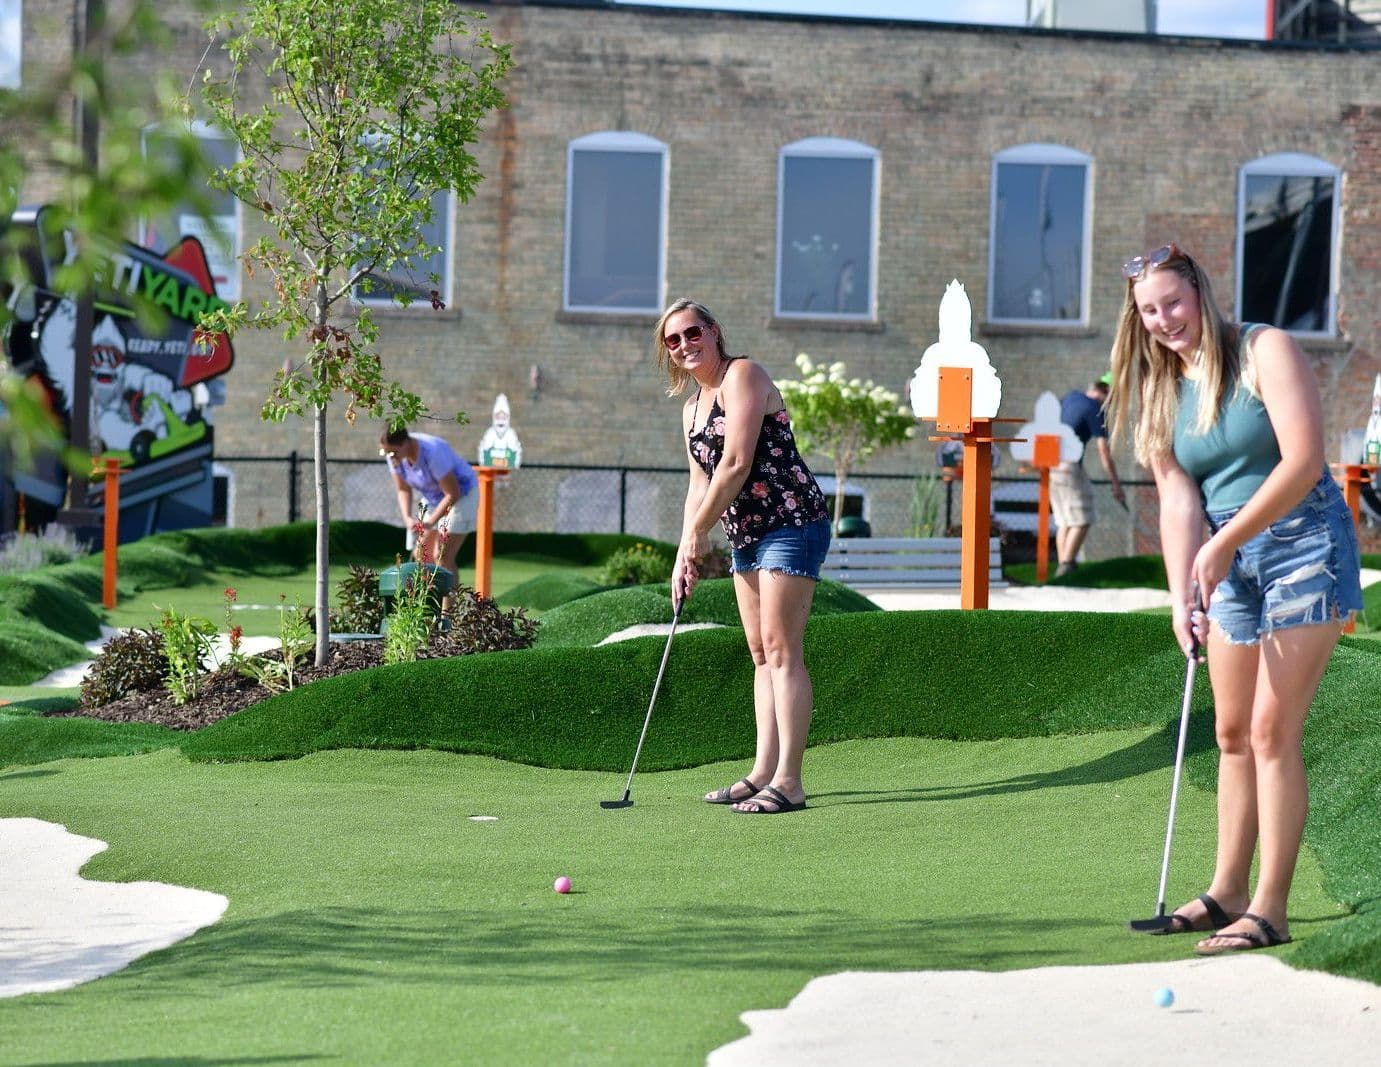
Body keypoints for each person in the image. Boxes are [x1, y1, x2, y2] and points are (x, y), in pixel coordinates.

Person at [1107, 243, 1362, 956]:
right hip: (1227, 562)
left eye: (1172, 303)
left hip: (1302, 543)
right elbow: (1178, 500)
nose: (1163, 320)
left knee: (1270, 731)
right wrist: (1180, 588)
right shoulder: (1157, 387)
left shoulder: (1262, 348)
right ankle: (1225, 890)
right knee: (1227, 732)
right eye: (1148, 311)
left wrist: (1222, 546)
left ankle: (1270, 906)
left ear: (1199, 292)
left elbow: (1304, 459)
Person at [655, 298, 832, 815]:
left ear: (712, 331)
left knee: (781, 649)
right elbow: (700, 482)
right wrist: (683, 551)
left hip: (791, 521)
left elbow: (735, 462)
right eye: (673, 340)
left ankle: (790, 781)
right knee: (759, 653)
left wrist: (700, 533)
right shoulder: (690, 409)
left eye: (692, 333)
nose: (685, 345)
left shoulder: (744, 376)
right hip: (747, 533)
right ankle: (761, 772)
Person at [379, 425, 479, 582]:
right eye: (385, 452)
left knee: (442, 555)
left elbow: (452, 493)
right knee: (421, 556)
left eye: (393, 452)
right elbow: (403, 490)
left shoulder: (433, 452)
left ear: (406, 443)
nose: (390, 457)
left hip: (462, 495)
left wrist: (430, 522)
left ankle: (448, 607)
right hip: (434, 497)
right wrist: (407, 518)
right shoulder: (394, 456)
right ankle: (427, 605)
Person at [1051, 374, 1125, 576]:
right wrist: (1115, 484)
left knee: (1065, 520)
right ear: (1106, 392)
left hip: (1051, 464)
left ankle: (1063, 569)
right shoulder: (1095, 409)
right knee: (1082, 518)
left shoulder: (1070, 397)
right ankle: (1066, 566)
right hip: (1069, 466)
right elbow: (1104, 450)